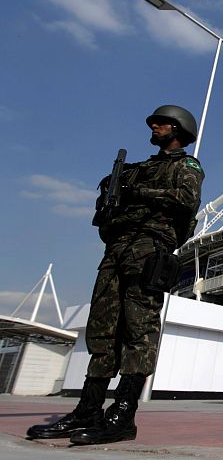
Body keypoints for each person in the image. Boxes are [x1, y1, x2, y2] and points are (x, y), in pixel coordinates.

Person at [27, 105, 205, 445]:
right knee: (102, 330)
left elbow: (186, 200)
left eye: (162, 122)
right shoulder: (136, 169)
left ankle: (123, 414)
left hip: (148, 250)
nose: (154, 126)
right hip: (117, 249)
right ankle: (88, 409)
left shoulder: (187, 166)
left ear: (179, 129)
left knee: (139, 330)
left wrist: (136, 193)